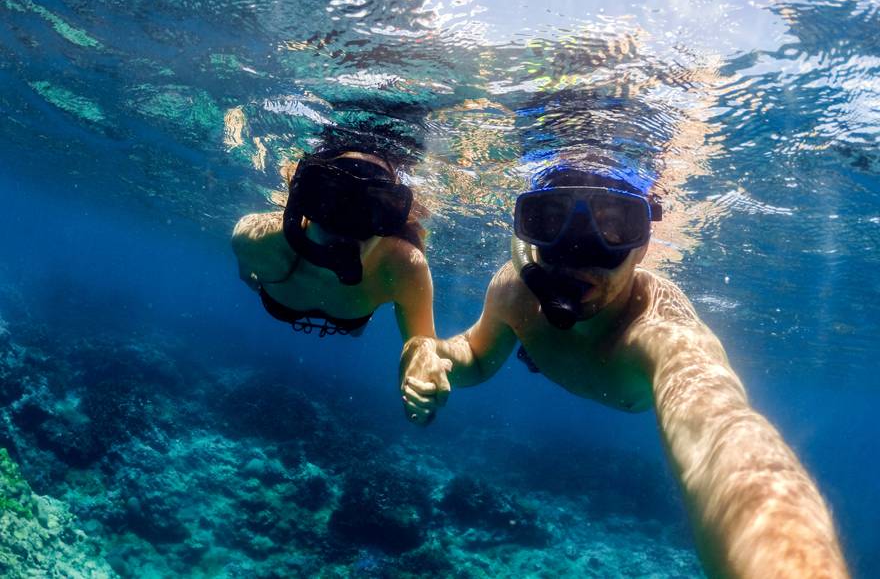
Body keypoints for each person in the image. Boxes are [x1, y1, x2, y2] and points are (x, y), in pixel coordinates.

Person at [399, 164, 848, 578]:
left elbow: (724, 444)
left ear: (642, 245)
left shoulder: (658, 330)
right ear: (529, 232)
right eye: (551, 219)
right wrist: (430, 353)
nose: (578, 252)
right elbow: (476, 357)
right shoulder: (515, 290)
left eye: (614, 223)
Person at [232, 146, 435, 341]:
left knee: (355, 330)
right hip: (351, 312)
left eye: (372, 209)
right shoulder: (255, 239)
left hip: (347, 318)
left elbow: (424, 346)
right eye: (331, 201)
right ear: (300, 200)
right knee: (354, 328)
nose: (348, 224)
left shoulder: (406, 268)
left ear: (391, 217)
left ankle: (356, 323)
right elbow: (245, 269)